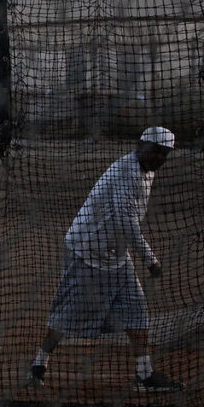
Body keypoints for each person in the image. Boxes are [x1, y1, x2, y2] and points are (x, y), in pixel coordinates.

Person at [30, 127, 180, 391]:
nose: (157, 156)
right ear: (141, 145)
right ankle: (38, 365)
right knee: (67, 314)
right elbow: (126, 222)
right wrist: (150, 260)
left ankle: (144, 375)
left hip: (116, 255)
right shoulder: (127, 173)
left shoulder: (148, 172)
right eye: (153, 149)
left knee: (137, 312)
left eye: (162, 153)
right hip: (87, 251)